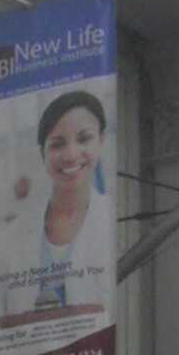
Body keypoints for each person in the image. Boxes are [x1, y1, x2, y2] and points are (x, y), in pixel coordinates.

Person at [33, 89, 111, 308]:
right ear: (43, 153)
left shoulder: (116, 219)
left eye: (84, 138)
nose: (71, 155)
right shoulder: (14, 230)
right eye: (58, 144)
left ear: (101, 140)